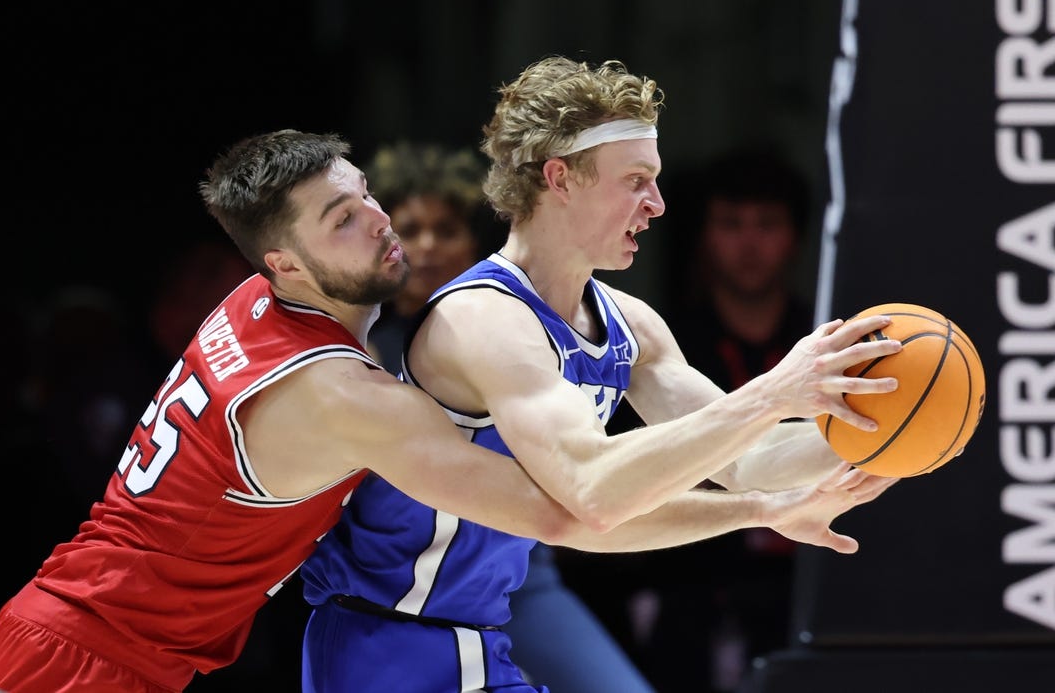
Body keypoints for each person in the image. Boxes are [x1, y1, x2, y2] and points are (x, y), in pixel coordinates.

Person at [299, 56, 905, 693]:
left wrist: (889, 425)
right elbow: (591, 492)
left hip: (478, 633)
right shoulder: (480, 319)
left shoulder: (630, 326)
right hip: (383, 645)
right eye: (637, 179)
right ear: (561, 178)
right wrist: (772, 393)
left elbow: (747, 461)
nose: (659, 204)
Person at [0, 129, 600, 693]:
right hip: (84, 659)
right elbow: (562, 510)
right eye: (343, 221)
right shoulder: (340, 394)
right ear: (285, 263)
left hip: (76, 627)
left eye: (364, 194)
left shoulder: (258, 296)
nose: (379, 221)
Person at [363, 141, 655, 693]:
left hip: (520, 574)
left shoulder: (511, 320)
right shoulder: (360, 344)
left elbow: (579, 493)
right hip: (410, 591)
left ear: (476, 238)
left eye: (445, 230)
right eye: (410, 229)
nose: (424, 246)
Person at [635, 147, 821, 692]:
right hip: (693, 587)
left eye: (766, 224)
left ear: (796, 237)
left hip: (807, 583)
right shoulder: (664, 347)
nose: (749, 244)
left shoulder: (826, 338)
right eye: (731, 224)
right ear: (704, 235)